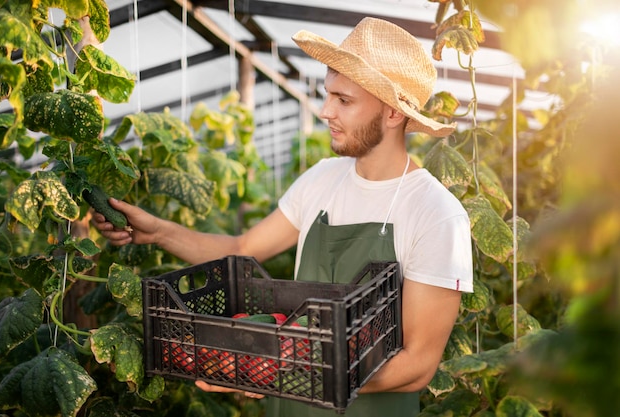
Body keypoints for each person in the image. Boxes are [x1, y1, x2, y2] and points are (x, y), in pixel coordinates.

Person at [93, 17, 473, 417]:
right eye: (329, 95)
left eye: (344, 100)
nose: (326, 110)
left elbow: (416, 368)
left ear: (393, 114)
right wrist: (158, 232)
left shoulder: (436, 213)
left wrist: (280, 368)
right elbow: (242, 249)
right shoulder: (322, 179)